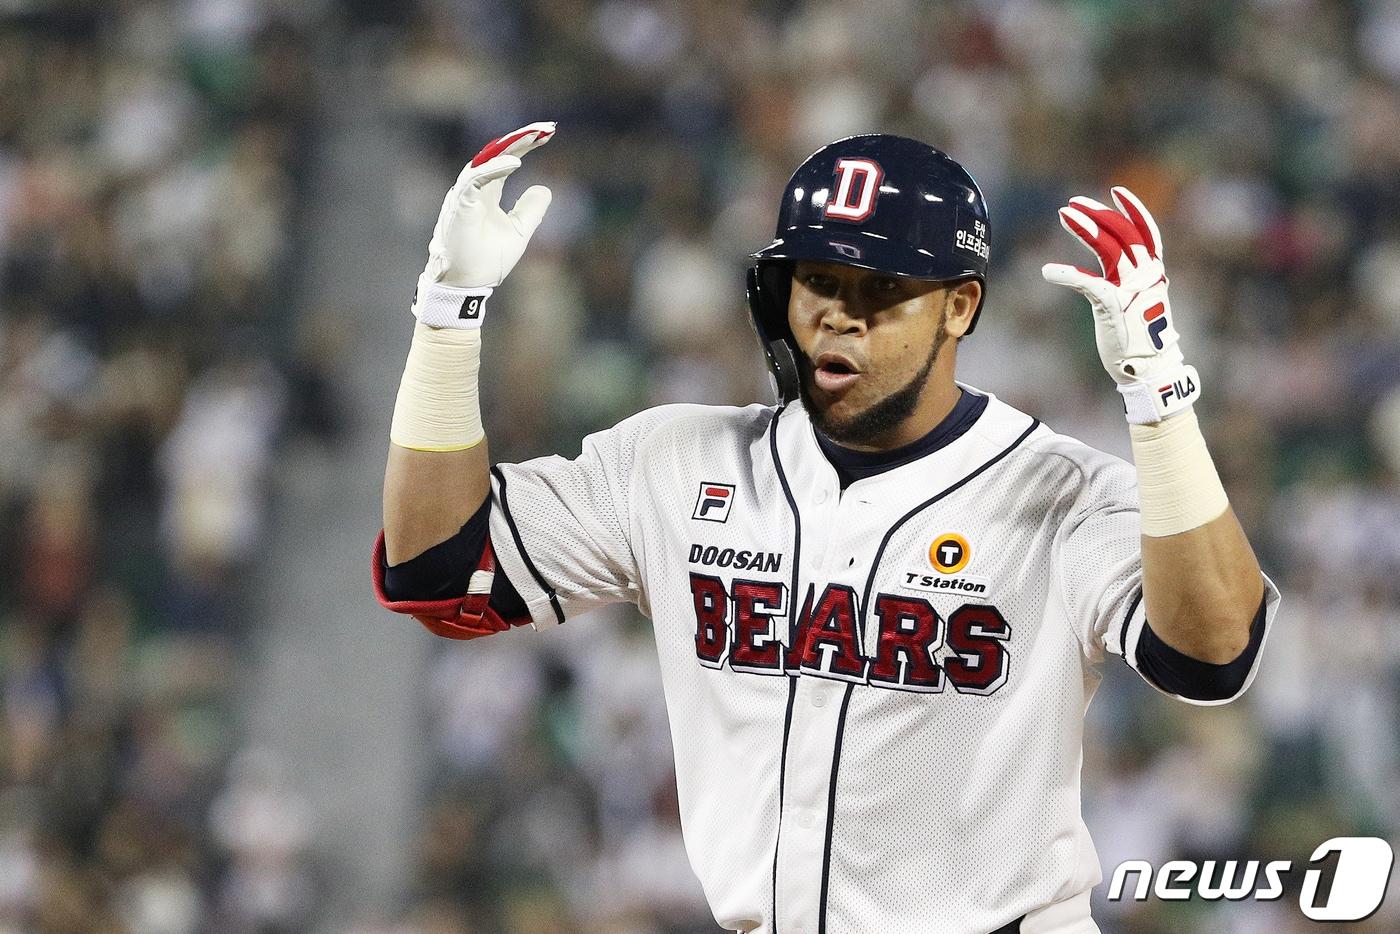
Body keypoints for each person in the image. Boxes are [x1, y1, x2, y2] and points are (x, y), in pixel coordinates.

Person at [374, 125, 1278, 934]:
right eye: (818, 280)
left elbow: (1210, 653)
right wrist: (447, 314)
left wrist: (1158, 400)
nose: (839, 313)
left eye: (880, 287)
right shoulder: (678, 463)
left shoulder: (1063, 490)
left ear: (960, 307)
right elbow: (439, 564)